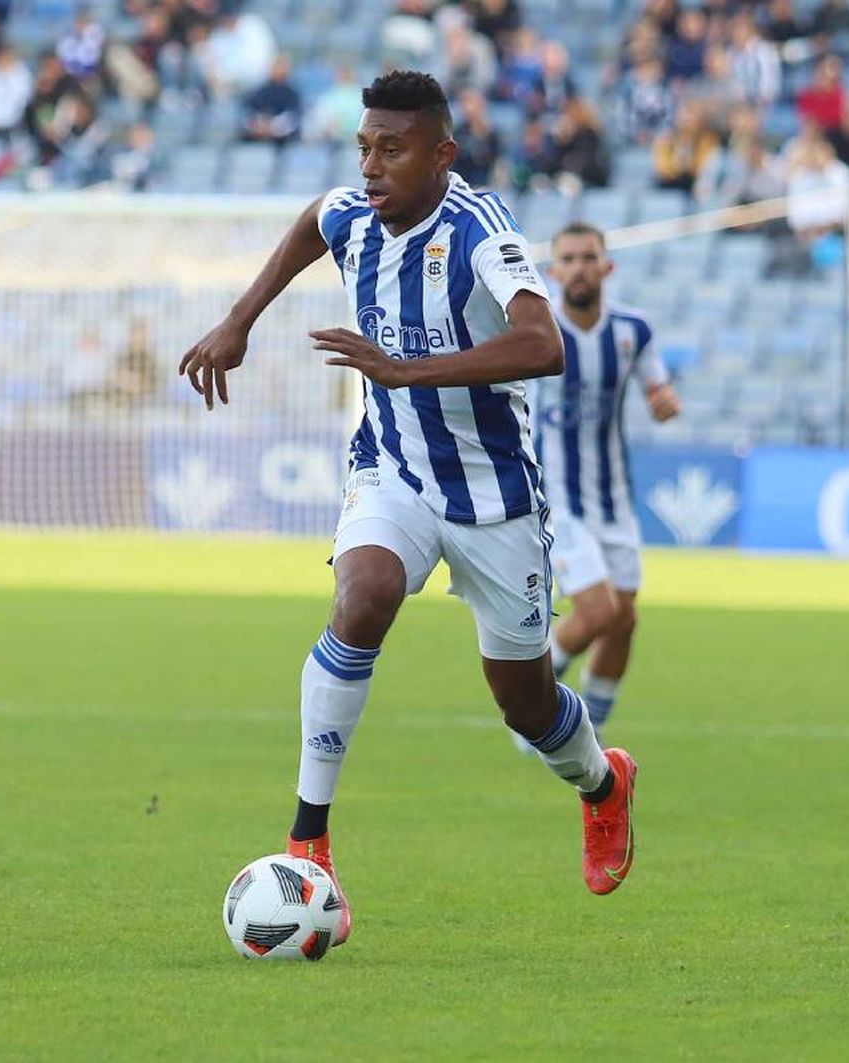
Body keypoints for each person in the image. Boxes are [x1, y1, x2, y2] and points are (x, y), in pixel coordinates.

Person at [177, 72, 640, 947]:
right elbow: (312, 222)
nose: (372, 165)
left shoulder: (479, 231)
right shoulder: (353, 211)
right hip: (391, 468)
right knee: (363, 595)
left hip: (493, 494)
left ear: (442, 155)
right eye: (364, 146)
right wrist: (239, 319)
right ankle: (308, 838)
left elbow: (543, 345)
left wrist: (398, 369)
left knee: (527, 703)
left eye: (393, 149)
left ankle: (602, 784)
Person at [530, 223, 679, 735]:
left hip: (614, 498)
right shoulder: (536, 327)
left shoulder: (632, 331)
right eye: (567, 258)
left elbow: (660, 394)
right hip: (557, 501)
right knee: (595, 612)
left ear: (606, 266)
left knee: (624, 621)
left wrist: (665, 405)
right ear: (553, 271)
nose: (577, 267)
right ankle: (532, 711)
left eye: (587, 257)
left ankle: (589, 728)